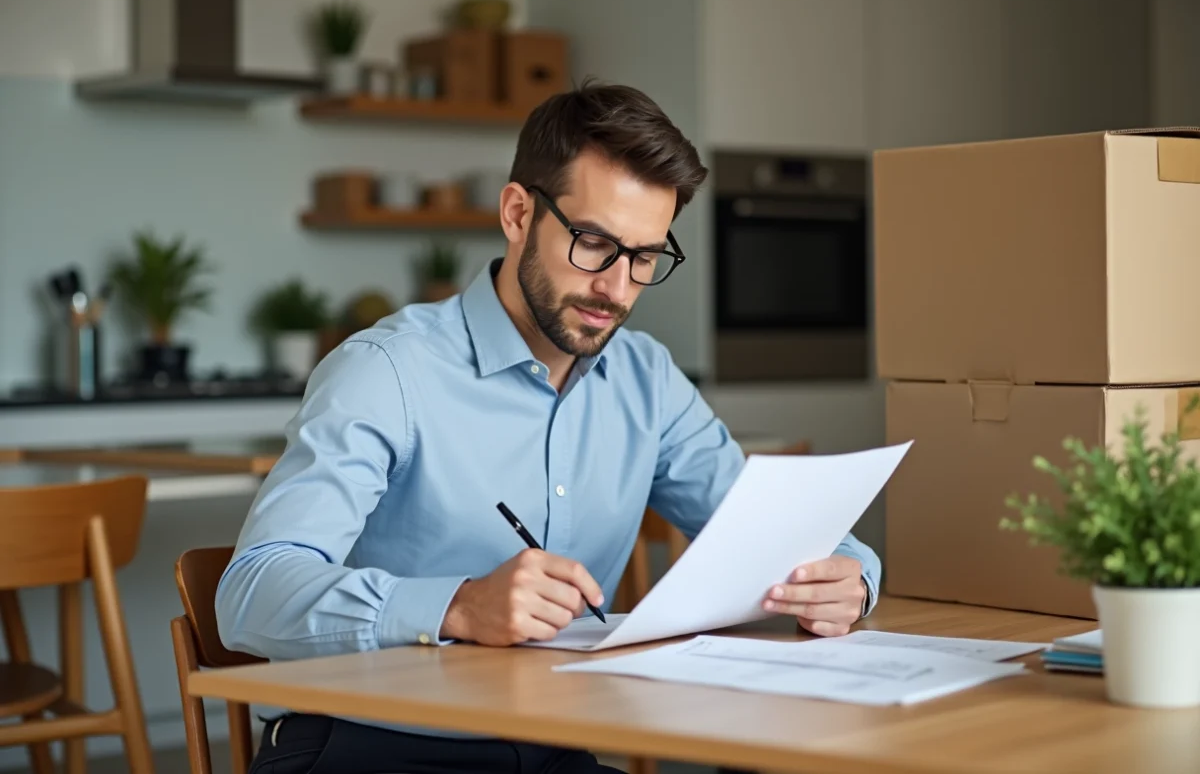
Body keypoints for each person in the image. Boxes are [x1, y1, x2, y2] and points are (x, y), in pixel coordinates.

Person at [216, 80, 881, 774]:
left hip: (551, 746)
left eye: (645, 257)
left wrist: (852, 578)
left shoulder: (646, 380)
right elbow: (250, 592)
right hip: (369, 747)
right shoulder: (386, 371)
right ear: (516, 212)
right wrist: (458, 606)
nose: (617, 289)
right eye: (593, 243)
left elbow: (777, 528)